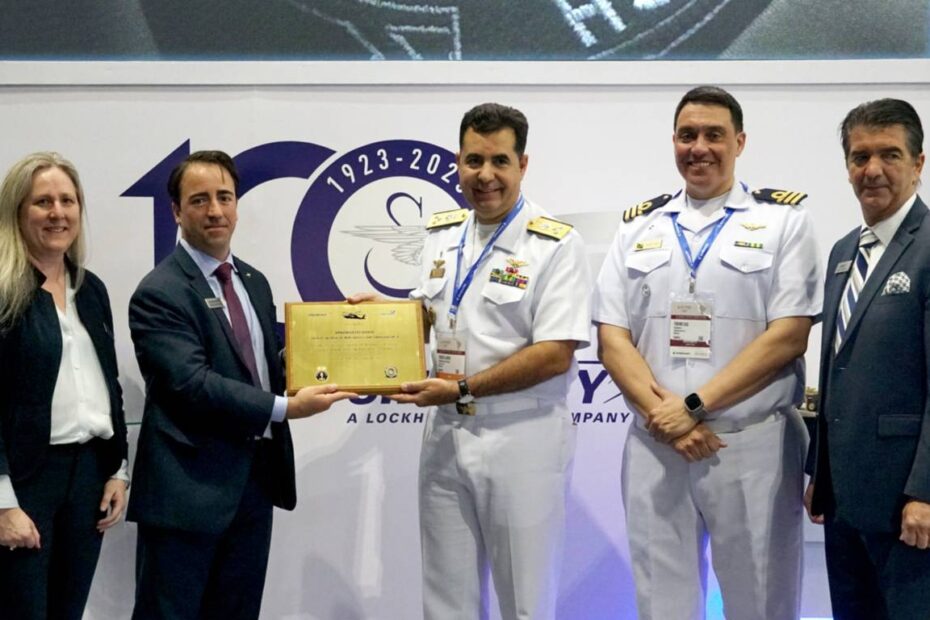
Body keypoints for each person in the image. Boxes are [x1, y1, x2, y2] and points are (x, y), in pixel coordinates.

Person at [593, 86, 821, 619]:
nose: (700, 147)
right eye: (687, 135)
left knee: (761, 602)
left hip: (750, 446)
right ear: (673, 141)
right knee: (660, 603)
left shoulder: (784, 221)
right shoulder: (637, 227)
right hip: (657, 446)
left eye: (714, 135)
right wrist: (666, 416)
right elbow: (612, 338)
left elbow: (788, 334)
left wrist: (691, 406)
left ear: (739, 142)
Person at [127, 150, 355, 620]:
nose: (215, 210)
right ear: (176, 211)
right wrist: (284, 407)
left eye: (224, 197)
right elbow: (191, 385)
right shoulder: (159, 292)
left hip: (252, 486)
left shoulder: (253, 280)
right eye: (199, 200)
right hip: (186, 494)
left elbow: (256, 367)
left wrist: (312, 360)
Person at [390, 103, 592, 620]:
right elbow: (429, 318)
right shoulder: (442, 233)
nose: (485, 176)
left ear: (523, 164)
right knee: (445, 599)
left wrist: (461, 389)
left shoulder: (556, 245)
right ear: (457, 161)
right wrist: (383, 321)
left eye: (499, 161)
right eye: (473, 161)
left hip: (521, 438)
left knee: (524, 601)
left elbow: (554, 353)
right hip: (444, 436)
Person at [805, 98, 929, 619]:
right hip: (846, 504)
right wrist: (820, 473)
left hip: (907, 505)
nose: (871, 170)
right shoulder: (841, 254)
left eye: (889, 155)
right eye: (859, 157)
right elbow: (837, 370)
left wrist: (926, 492)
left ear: (919, 163)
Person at [0, 152, 129, 619]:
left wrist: (119, 469)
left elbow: (108, 385)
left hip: (88, 478)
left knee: (67, 611)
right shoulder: (4, 292)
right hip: (26, 482)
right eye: (42, 202)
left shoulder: (90, 289)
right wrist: (2, 503)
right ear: (17, 212)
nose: (58, 213)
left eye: (68, 201)